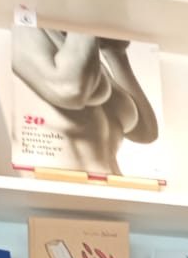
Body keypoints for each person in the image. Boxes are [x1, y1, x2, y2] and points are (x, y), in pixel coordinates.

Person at [10, 26, 159, 178]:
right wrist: (88, 22)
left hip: (113, 189)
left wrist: (115, 53)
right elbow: (70, 90)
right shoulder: (25, 32)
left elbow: (145, 133)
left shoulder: (87, 60)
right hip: (59, 189)